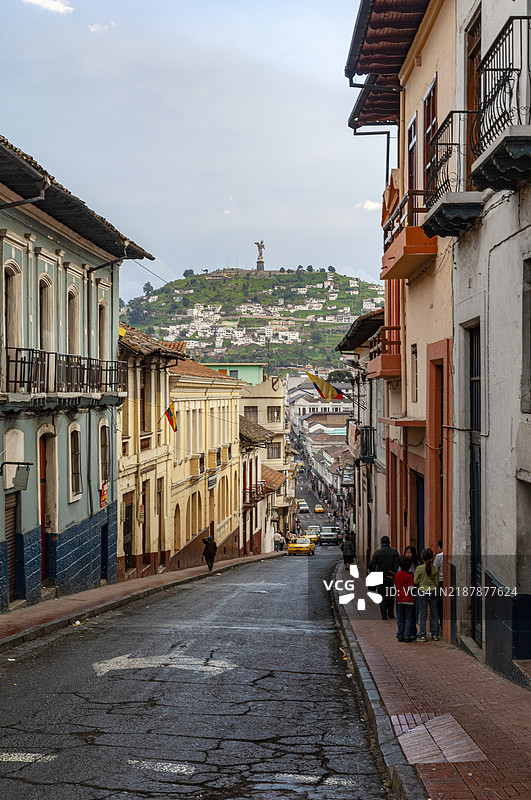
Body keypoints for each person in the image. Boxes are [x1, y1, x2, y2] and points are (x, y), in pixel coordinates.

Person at [369, 536, 399, 620]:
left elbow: (373, 566)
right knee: (390, 595)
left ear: (381, 543)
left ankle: (384, 614)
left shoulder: (377, 552)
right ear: (389, 542)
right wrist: (392, 573)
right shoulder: (394, 551)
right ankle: (390, 613)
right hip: (390, 577)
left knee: (382, 595)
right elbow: (396, 565)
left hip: (380, 578)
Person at [414, 548, 439, 641]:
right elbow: (436, 583)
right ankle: (435, 634)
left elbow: (415, 581)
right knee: (434, 613)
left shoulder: (419, 569)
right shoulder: (435, 569)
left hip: (422, 591)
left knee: (423, 613)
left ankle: (422, 634)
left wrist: (421, 582)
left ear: (422, 558)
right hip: (432, 591)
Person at [394, 556, 416, 642]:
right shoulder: (410, 576)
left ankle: (400, 635)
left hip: (400, 600)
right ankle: (407, 636)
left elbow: (395, 587)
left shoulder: (397, 575)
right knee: (408, 619)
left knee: (401, 619)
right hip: (409, 601)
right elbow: (410, 588)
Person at [433, 539, 444, 632]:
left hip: (440, 582)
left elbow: (435, 570)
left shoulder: (438, 556)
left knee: (440, 604)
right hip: (447, 582)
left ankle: (442, 625)